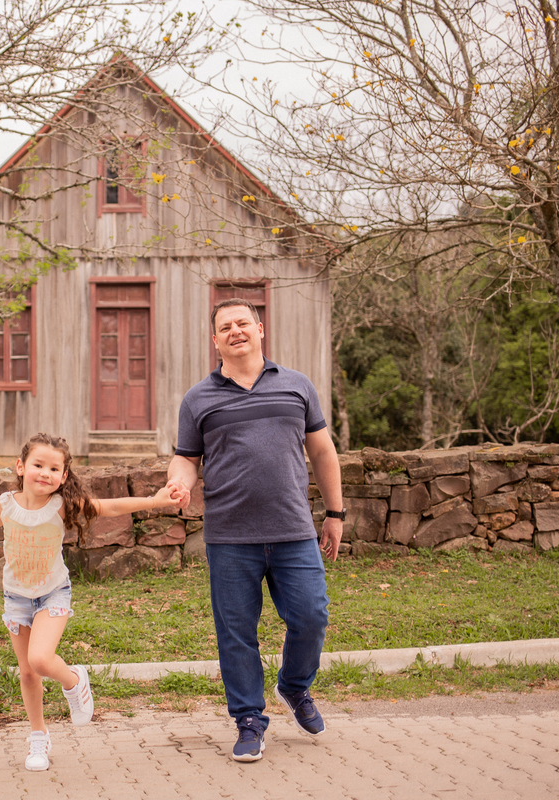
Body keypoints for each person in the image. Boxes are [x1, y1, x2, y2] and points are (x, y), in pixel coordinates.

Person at [0, 433, 180, 772]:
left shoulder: (62, 504)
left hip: (53, 593)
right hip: (16, 596)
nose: (45, 473)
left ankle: (74, 681)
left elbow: (109, 507)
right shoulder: (6, 502)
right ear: (21, 467)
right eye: (38, 465)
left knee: (39, 659)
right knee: (27, 672)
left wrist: (155, 500)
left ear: (64, 476)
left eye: (54, 469)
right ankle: (39, 737)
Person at [166, 298, 344, 763]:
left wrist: (336, 512)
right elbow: (186, 458)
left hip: (293, 530)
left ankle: (294, 686)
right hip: (230, 537)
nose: (235, 331)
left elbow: (323, 452)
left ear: (260, 329)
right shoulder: (198, 398)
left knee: (312, 616)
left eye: (242, 322)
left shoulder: (297, 385)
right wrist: (179, 483)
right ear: (215, 340)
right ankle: (248, 720)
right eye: (225, 327)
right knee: (237, 633)